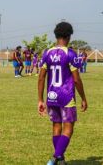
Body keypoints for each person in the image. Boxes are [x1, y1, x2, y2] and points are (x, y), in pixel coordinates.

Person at [38, 22, 88, 165]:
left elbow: (41, 77)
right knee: (68, 128)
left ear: (56, 35)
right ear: (69, 36)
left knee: (56, 127)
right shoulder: (70, 53)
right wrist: (83, 98)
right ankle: (55, 157)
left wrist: (40, 100)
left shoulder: (47, 53)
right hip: (66, 97)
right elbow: (77, 80)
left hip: (51, 96)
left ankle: (60, 159)